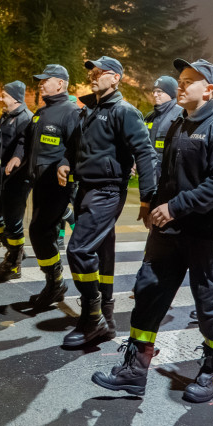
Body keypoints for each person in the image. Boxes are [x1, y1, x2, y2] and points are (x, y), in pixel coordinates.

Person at [90, 59, 213, 401]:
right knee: (149, 293)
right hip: (168, 233)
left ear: (209, 89)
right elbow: (167, 176)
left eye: (190, 80)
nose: (181, 84)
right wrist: (153, 203)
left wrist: (174, 207)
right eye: (180, 79)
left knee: (209, 304)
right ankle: (134, 370)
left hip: (205, 234)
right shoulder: (175, 124)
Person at [57, 56, 157, 348]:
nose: (93, 76)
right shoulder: (91, 110)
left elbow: (146, 154)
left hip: (108, 191)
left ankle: (92, 317)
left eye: (100, 72)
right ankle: (107, 319)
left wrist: (147, 198)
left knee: (78, 249)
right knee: (102, 254)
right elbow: (75, 146)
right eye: (92, 72)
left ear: (116, 78)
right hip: (86, 189)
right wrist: (65, 162)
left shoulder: (125, 112)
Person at [7, 64, 80, 311]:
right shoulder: (41, 112)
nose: (40, 84)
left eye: (45, 80)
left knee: (40, 231)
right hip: (39, 182)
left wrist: (66, 164)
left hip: (57, 184)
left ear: (60, 83)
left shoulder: (71, 112)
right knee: (41, 231)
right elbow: (25, 140)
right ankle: (55, 282)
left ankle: (55, 282)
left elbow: (77, 147)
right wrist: (18, 156)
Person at [0, 80, 33, 281]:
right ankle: (14, 249)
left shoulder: (27, 118)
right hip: (2, 176)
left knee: (13, 222)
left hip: (18, 179)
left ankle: (14, 265)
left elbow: (25, 142)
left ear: (15, 97)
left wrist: (17, 156)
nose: (0, 99)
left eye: (4, 95)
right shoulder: (7, 116)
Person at [144, 75, 181, 167]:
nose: (155, 95)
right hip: (148, 171)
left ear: (171, 93)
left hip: (169, 175)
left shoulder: (181, 115)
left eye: (159, 91)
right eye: (154, 91)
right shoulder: (149, 117)